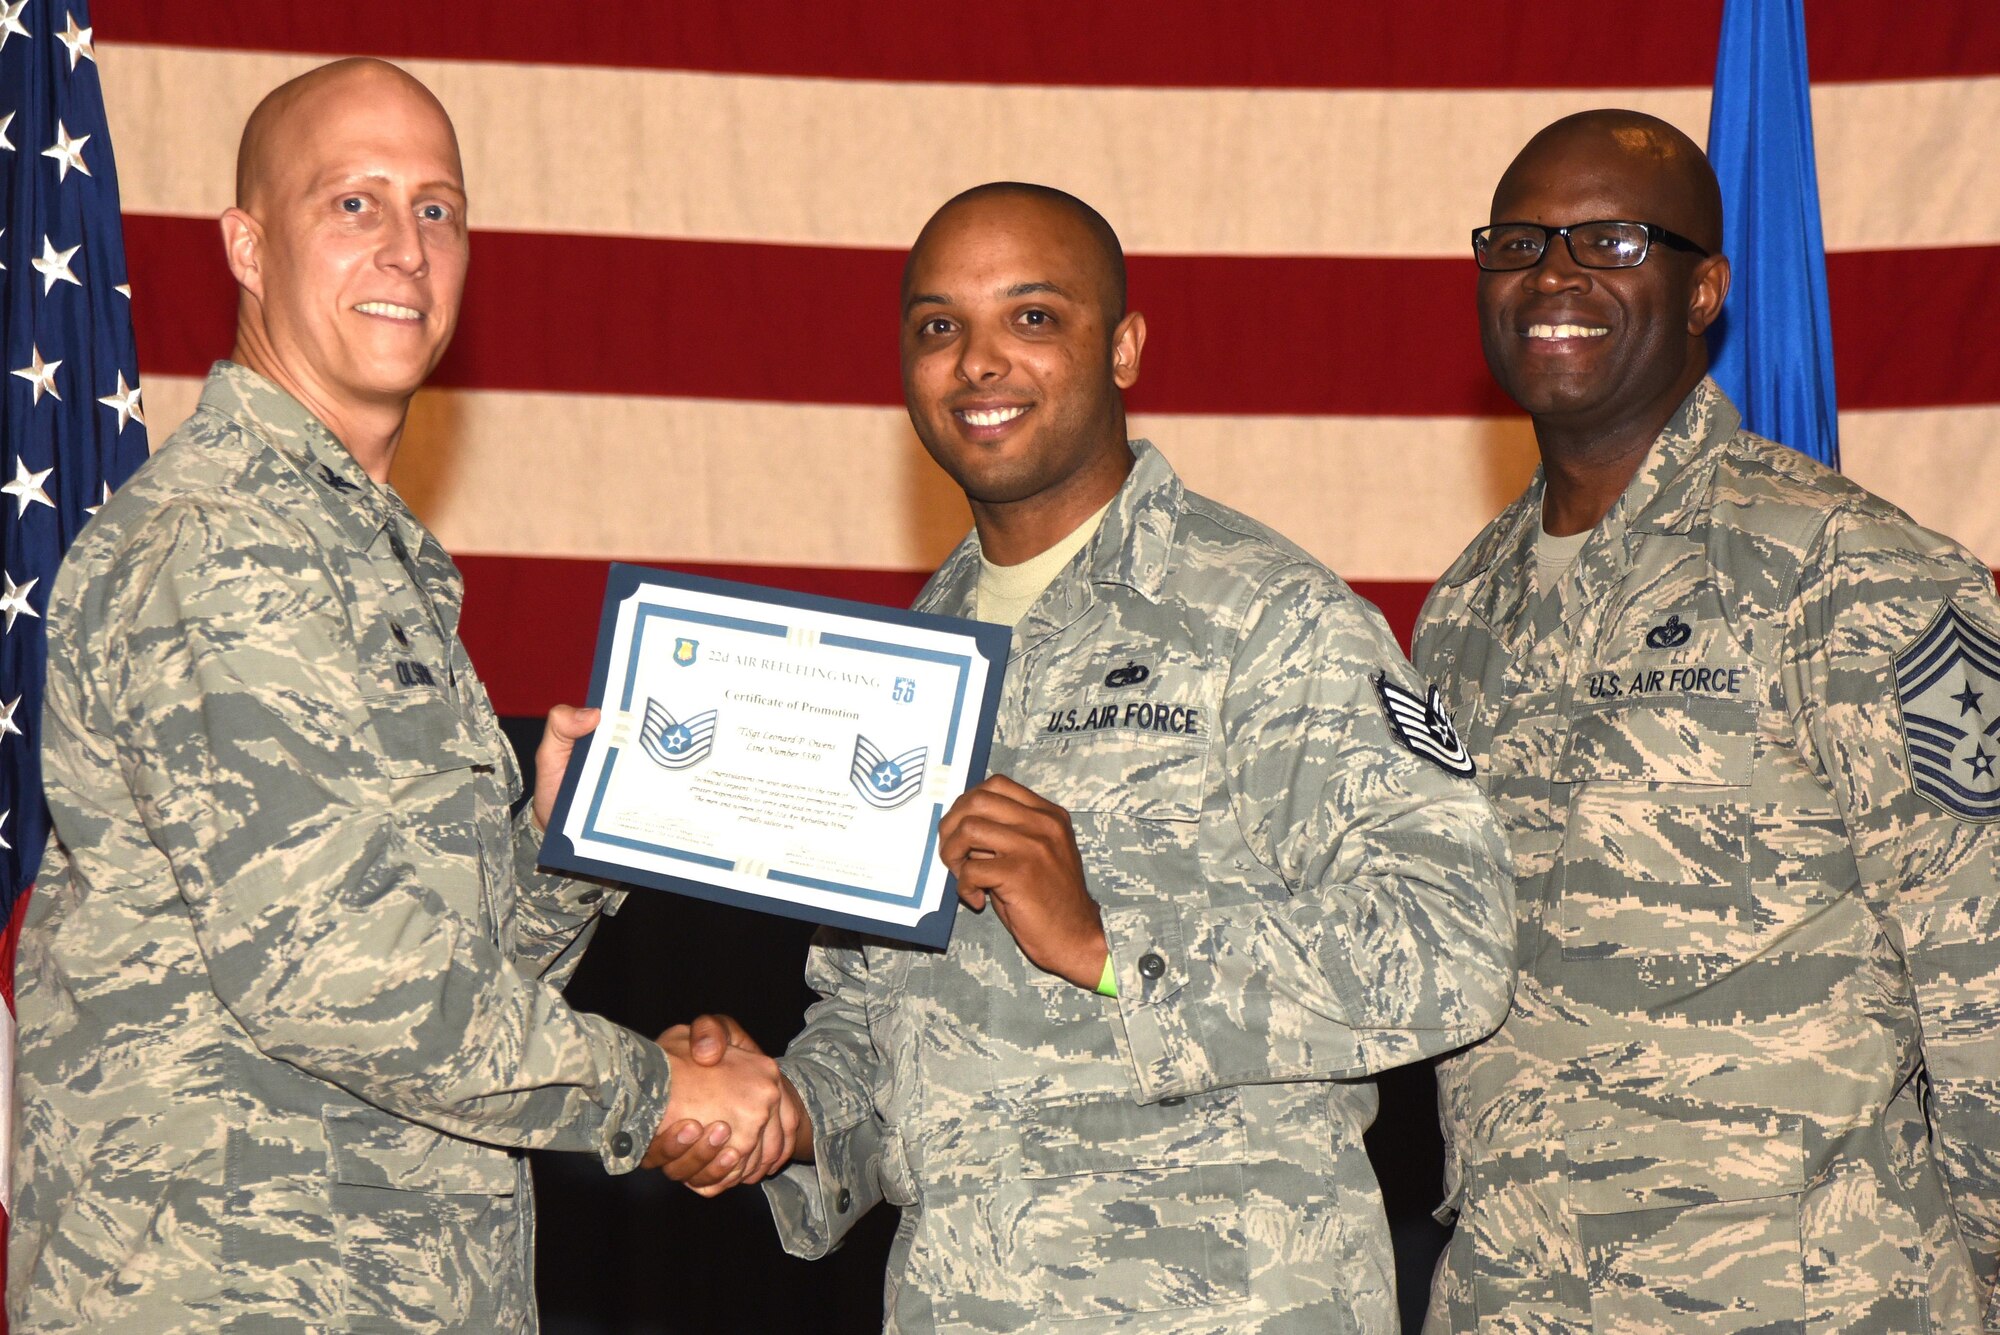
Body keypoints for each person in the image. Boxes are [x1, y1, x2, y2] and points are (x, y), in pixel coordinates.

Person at [8, 59, 792, 1333]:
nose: (406, 249)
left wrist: (555, 854)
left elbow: (443, 958)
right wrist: (655, 1092)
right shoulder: (223, 546)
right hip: (232, 1290)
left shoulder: (364, 556)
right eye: (353, 204)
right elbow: (336, 975)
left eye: (437, 209)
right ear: (248, 247)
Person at [664, 182, 1517, 1332]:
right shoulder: (905, 666)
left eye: (1030, 318)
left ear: (1121, 348)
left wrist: (1113, 948)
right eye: (937, 326)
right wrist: (784, 1112)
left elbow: (1451, 941)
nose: (977, 362)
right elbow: (880, 1017)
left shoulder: (1268, 618)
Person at [1414, 109, 2000, 1333]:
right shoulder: (1463, 608)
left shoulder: (1851, 573)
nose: (1554, 275)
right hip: (1514, 1296)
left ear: (1704, 291)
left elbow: (1982, 976)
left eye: (1611, 242)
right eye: (1517, 243)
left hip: (1794, 1298)